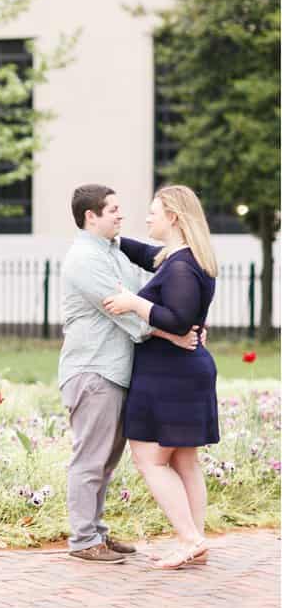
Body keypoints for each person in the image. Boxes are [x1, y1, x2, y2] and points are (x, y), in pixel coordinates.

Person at [59, 184, 200, 565]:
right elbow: (126, 315)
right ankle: (84, 539)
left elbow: (142, 297)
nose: (122, 215)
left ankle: (96, 533)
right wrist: (175, 332)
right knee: (90, 458)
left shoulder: (113, 253)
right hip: (93, 370)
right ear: (91, 216)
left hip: (116, 371)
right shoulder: (85, 259)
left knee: (105, 461)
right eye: (114, 210)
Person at [102, 185, 218, 570]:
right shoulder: (181, 258)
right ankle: (195, 541)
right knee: (185, 461)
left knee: (149, 458)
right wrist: (108, 235)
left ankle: (189, 538)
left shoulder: (182, 265)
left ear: (173, 217)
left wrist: (134, 302)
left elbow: (180, 319)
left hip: (171, 374)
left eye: (153, 212)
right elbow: (144, 253)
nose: (146, 218)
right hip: (182, 371)